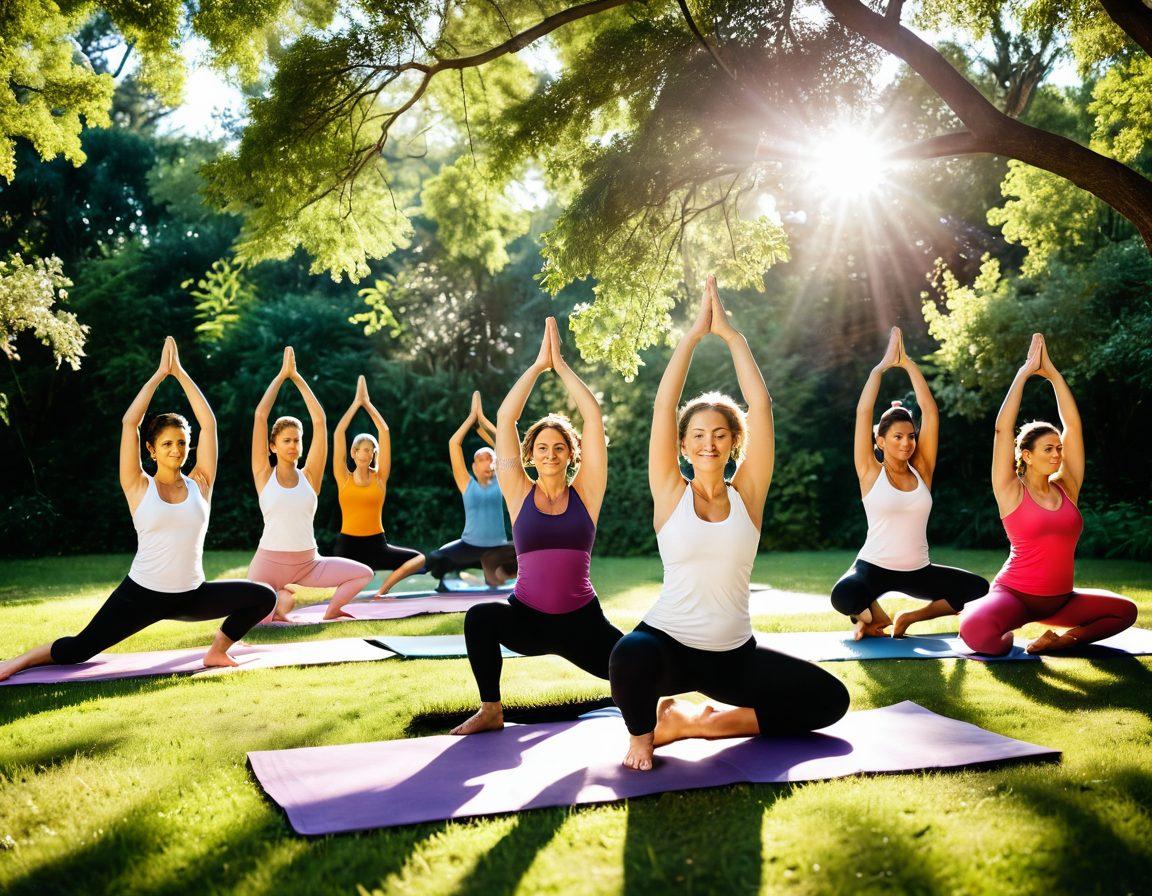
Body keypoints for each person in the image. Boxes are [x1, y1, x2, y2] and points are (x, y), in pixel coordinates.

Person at [608, 277, 850, 771]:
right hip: (669, 644)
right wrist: (693, 337)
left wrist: (733, 338)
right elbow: (663, 407)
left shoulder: (749, 495)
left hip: (734, 655)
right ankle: (642, 734)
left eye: (720, 434)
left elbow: (760, 408)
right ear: (683, 445)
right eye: (697, 435)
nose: (708, 444)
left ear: (733, 442)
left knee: (830, 700)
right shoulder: (670, 493)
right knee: (627, 655)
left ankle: (696, 723)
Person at [0, 338, 275, 682]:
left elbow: (209, 424)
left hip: (191, 594)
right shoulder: (138, 485)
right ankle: (17, 661)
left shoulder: (201, 483)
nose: (176, 450)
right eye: (167, 444)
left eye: (181, 443)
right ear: (151, 449)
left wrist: (182, 373)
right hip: (141, 594)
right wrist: (161, 374)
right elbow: (130, 423)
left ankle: (217, 651)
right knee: (77, 650)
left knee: (263, 597)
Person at [450, 318, 624, 735]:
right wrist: (537, 364)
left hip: (583, 622)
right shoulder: (515, 489)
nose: (550, 454)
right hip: (527, 619)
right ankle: (491, 710)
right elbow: (506, 416)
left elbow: (593, 416)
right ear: (530, 454)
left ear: (570, 454)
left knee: (640, 664)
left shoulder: (588, 491)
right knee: (478, 619)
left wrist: (561, 365)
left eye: (559, 447)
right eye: (542, 447)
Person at [960, 334, 1136, 655]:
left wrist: (1054, 375)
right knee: (975, 631)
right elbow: (1002, 429)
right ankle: (1002, 623)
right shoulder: (1010, 489)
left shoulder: (1067, 486)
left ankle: (1060, 641)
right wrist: (1024, 374)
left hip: (1061, 602)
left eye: (1058, 448)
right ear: (1026, 455)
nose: (1057, 454)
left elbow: (1073, 426)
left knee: (1125, 611)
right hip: (1015, 595)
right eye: (1048, 449)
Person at [829, 327, 988, 640]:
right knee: (843, 596)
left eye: (911, 436)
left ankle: (907, 617)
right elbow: (863, 411)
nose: (906, 443)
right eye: (898, 437)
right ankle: (873, 616)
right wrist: (880, 368)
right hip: (873, 566)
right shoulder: (869, 471)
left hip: (919, 571)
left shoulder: (922, 471)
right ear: (881, 440)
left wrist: (908, 364)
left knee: (977, 588)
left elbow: (930, 411)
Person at [247, 349, 373, 622]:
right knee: (260, 623)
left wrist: (299, 378)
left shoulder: (310, 476)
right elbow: (260, 416)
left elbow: (319, 420)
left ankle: (332, 612)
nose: (293, 445)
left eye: (297, 440)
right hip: (268, 564)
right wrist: (283, 376)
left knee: (364, 573)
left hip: (308, 563)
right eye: (286, 440)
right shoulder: (263, 474)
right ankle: (281, 600)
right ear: (273, 446)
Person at [330, 375, 427, 598]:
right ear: (352, 453)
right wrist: (356, 403)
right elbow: (338, 433)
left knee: (419, 559)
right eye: (360, 449)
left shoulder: (380, 477)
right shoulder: (343, 477)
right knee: (343, 595)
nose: (364, 453)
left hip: (376, 545)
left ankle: (382, 590)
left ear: (374, 454)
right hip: (348, 546)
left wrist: (368, 404)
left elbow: (384, 432)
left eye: (369, 450)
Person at [425, 391, 517, 589]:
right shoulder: (467, 483)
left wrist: (482, 418)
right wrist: (471, 418)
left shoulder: (502, 480)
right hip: (468, 547)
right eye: (480, 459)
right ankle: (457, 574)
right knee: (434, 559)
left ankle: (495, 573)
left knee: (526, 550)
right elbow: (454, 443)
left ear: (495, 463)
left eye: (489, 458)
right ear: (474, 467)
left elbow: (502, 443)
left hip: (496, 548)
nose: (485, 462)